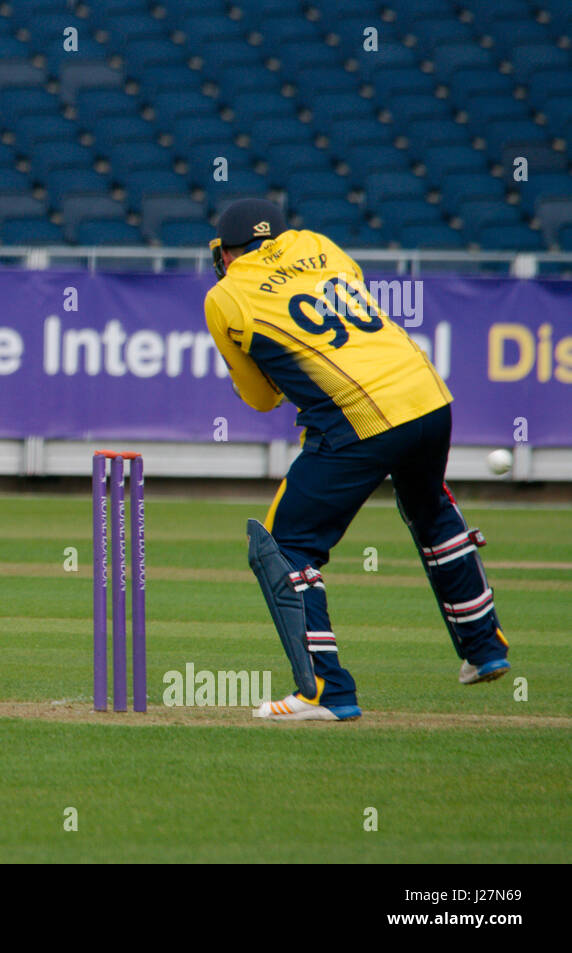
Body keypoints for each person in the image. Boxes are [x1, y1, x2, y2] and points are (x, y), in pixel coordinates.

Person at [203, 198, 509, 721]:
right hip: (428, 394)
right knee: (430, 510)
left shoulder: (226, 296)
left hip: (361, 416)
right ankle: (484, 649)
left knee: (285, 543)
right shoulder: (320, 245)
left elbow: (260, 399)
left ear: (227, 253)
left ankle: (325, 691)